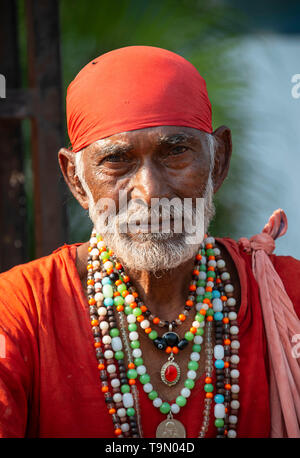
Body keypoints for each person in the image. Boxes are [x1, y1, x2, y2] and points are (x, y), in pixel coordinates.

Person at [0, 46, 299, 439]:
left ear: (219, 160)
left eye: (175, 152)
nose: (151, 192)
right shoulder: (19, 310)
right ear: (76, 179)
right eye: (117, 160)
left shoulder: (288, 295)